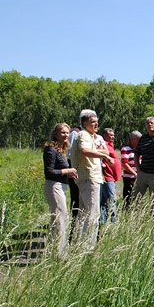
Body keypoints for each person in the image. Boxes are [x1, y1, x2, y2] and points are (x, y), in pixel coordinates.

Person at [70, 109, 114, 250]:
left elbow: (103, 150)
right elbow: (84, 150)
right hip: (89, 178)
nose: (96, 124)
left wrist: (104, 153)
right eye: (92, 122)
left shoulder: (90, 136)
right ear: (84, 123)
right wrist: (105, 156)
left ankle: (78, 244)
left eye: (97, 122)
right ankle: (88, 247)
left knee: (83, 213)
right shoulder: (83, 134)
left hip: (88, 178)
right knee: (92, 214)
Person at [43, 123, 78, 259]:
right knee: (61, 219)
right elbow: (49, 171)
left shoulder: (61, 150)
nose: (66, 135)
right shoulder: (50, 149)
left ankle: (53, 251)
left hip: (59, 186)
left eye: (67, 132)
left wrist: (68, 173)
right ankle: (61, 254)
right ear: (55, 134)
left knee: (57, 219)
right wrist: (66, 171)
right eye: (62, 132)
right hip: (53, 186)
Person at [99, 127, 121, 223]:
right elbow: (98, 156)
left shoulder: (110, 145)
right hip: (107, 177)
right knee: (111, 200)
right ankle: (112, 221)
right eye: (110, 135)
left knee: (105, 200)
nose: (112, 137)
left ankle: (103, 221)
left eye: (113, 135)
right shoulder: (103, 146)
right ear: (104, 136)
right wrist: (102, 165)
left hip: (112, 177)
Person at [66, 124, 81, 241]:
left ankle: (79, 233)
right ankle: (73, 233)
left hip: (83, 175)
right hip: (76, 175)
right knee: (76, 203)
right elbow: (70, 154)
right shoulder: (75, 133)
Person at [120, 130, 142, 207]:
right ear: (133, 139)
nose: (139, 141)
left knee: (138, 198)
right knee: (128, 198)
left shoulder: (139, 149)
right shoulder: (125, 149)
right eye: (138, 139)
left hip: (139, 177)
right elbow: (124, 164)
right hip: (129, 178)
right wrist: (134, 173)